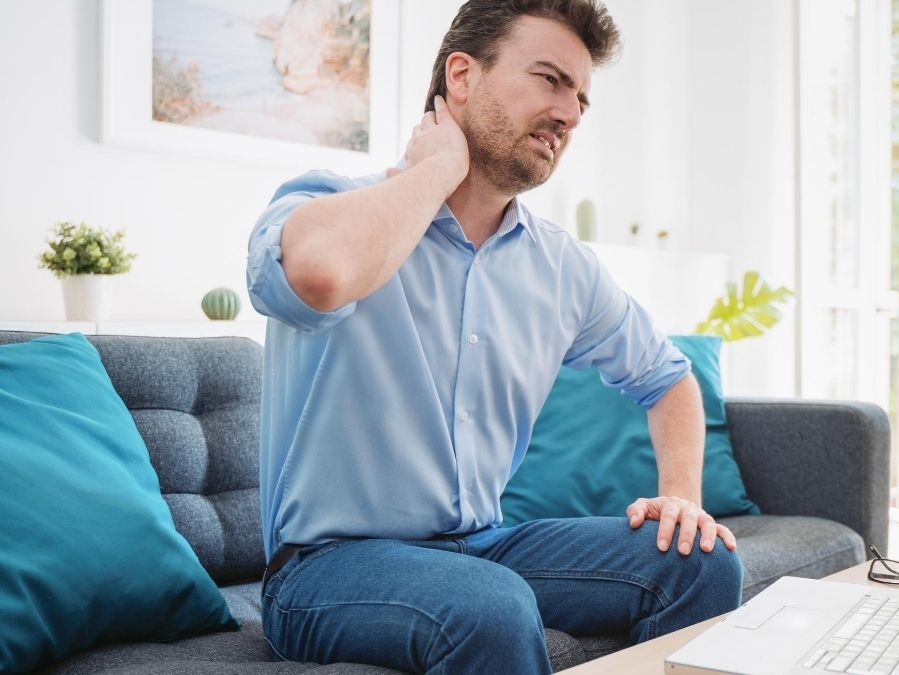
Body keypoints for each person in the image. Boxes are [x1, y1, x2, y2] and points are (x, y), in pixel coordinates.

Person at [246, 1, 742, 672]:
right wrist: (435, 171)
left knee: (699, 562)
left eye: (580, 99)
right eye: (548, 79)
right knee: (488, 604)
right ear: (461, 76)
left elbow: (669, 379)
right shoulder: (334, 202)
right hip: (323, 568)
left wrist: (681, 494)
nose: (568, 113)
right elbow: (320, 273)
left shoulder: (561, 266)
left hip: (482, 545)